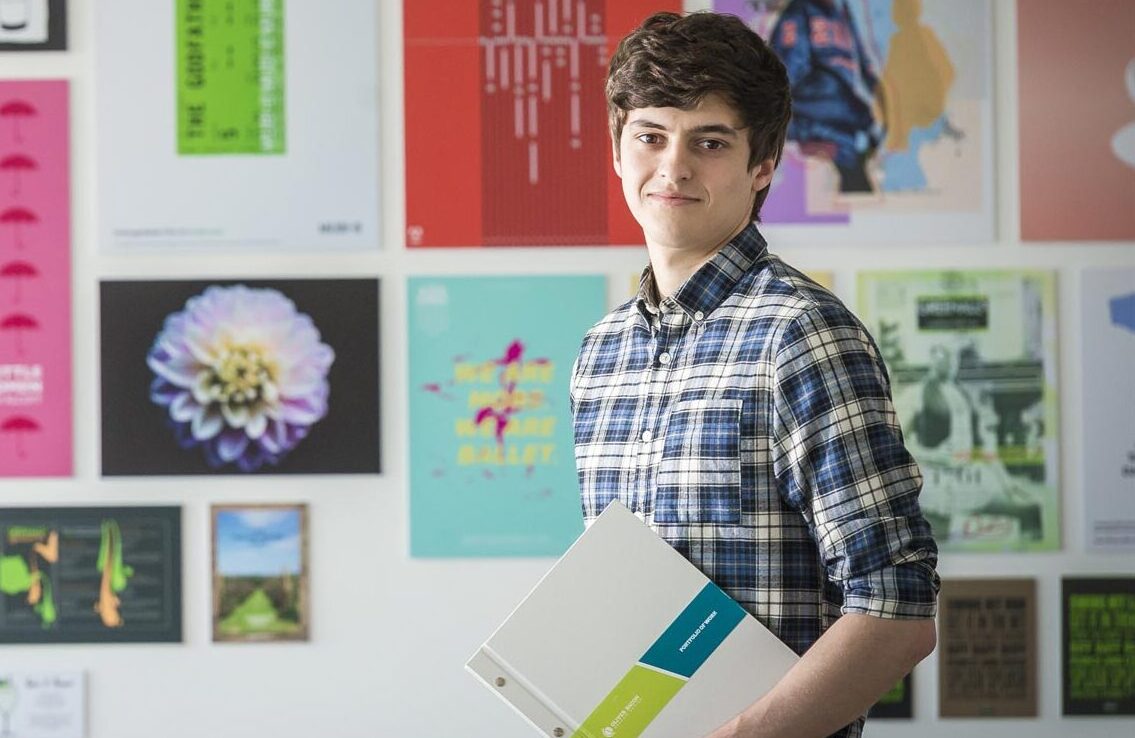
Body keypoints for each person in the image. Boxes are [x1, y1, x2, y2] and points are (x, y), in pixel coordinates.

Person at [569, 11, 939, 738]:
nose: (672, 167)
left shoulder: (801, 335)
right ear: (616, 149)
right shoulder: (599, 353)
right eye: (650, 135)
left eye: (708, 142)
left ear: (761, 166)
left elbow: (897, 610)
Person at [768, 0, 884, 192]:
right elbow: (783, 80)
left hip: (851, 130)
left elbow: (865, 69)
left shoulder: (844, 12)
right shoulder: (799, 13)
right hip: (821, 130)